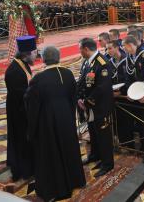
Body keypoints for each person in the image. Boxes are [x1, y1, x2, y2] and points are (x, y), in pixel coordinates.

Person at [25, 46, 86, 201]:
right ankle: (75, 180)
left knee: (53, 153)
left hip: (47, 122)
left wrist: (31, 129)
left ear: (44, 59)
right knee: (68, 148)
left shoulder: (38, 79)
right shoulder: (67, 73)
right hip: (66, 118)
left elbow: (31, 104)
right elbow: (74, 96)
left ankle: (59, 187)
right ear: (58, 57)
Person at [77, 38, 114, 177]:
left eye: (80, 49)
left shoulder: (102, 63)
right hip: (90, 106)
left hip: (100, 106)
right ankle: (95, 155)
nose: (79, 52)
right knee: (93, 132)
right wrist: (79, 97)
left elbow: (102, 88)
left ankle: (107, 164)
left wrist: (87, 102)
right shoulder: (88, 61)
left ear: (86, 49)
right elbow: (83, 81)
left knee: (104, 135)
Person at [5, 35, 37, 181]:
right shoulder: (14, 71)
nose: (36, 55)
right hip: (18, 113)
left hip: (24, 110)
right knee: (21, 140)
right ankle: (23, 169)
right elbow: (21, 95)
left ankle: (30, 165)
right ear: (26, 54)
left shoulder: (22, 65)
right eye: (35, 52)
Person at [123, 35, 144, 162]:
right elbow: (128, 75)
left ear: (131, 45)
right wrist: (130, 92)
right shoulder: (130, 56)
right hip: (135, 95)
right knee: (138, 124)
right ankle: (142, 148)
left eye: (126, 48)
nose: (125, 50)